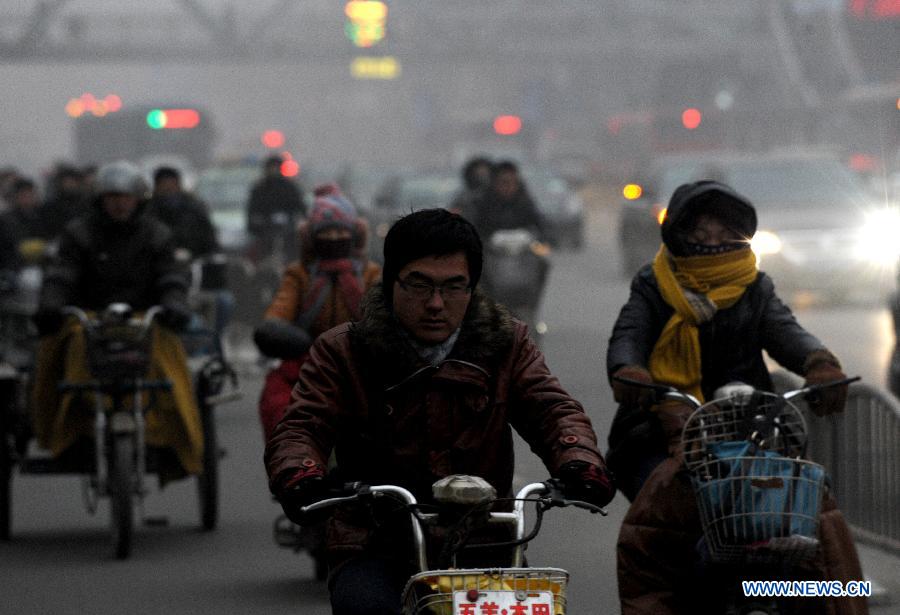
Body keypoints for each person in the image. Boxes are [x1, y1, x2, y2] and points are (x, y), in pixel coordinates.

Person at [265, 208, 614, 614]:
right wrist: (301, 473)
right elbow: (302, 426)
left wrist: (579, 460)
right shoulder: (343, 350)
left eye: (453, 287)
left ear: (472, 288)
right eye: (419, 285)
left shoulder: (506, 344)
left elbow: (552, 409)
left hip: (487, 540)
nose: (435, 304)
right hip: (375, 542)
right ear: (390, 281)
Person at [606, 180, 867, 614]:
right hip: (663, 426)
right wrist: (630, 373)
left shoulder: (755, 285)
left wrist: (819, 362)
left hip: (752, 427)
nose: (714, 243)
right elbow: (629, 334)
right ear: (678, 235)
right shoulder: (654, 285)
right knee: (662, 525)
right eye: (700, 235)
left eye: (724, 234)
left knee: (812, 513)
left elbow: (785, 331)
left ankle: (826, 602)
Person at [31, 160, 203, 480]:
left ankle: (172, 437)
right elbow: (61, 275)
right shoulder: (78, 234)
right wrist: (51, 305)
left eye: (126, 196)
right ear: (100, 200)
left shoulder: (157, 234)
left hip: (143, 318)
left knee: (169, 360)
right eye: (112, 197)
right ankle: (71, 428)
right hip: (90, 318)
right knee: (64, 350)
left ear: (139, 199)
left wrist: (174, 304)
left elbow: (171, 277)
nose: (120, 203)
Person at [255, 183, 381, 442]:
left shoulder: (370, 274)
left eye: (340, 230)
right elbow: (278, 313)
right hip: (308, 366)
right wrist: (284, 336)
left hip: (363, 367)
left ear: (353, 234)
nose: (334, 238)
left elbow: (385, 313)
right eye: (326, 231)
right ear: (312, 237)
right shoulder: (299, 275)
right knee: (278, 406)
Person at [146, 166, 219, 259]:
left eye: (172, 185)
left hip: (193, 263)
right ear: (157, 188)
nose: (168, 190)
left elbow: (209, 240)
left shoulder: (194, 209)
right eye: (164, 186)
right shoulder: (148, 211)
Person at [246, 155, 307, 258]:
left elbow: (299, 207)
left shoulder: (289, 187)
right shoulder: (260, 188)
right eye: (271, 168)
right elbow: (253, 209)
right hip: (265, 229)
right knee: (265, 253)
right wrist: (256, 223)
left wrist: (296, 220)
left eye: (276, 168)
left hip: (288, 230)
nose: (273, 171)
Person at [471, 160, 543, 240]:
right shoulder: (481, 204)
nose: (510, 187)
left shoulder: (525, 203)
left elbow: (540, 225)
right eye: (505, 182)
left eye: (514, 182)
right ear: (494, 183)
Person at [40, 165, 91, 240]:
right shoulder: (51, 206)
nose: (69, 184)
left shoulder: (87, 202)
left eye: (72, 181)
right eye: (66, 182)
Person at [448, 155, 492, 221]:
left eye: (485, 174)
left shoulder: (497, 195)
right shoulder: (464, 198)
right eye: (479, 174)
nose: (482, 178)